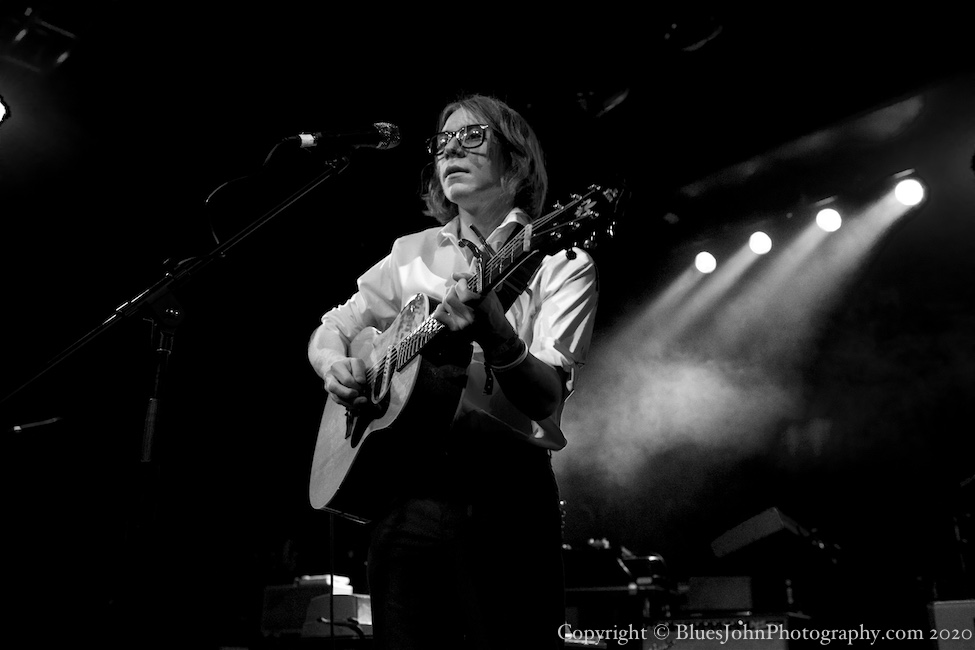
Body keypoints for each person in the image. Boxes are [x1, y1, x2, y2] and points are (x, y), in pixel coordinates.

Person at [307, 93, 599, 649]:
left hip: (504, 496)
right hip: (405, 498)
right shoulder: (410, 254)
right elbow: (333, 326)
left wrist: (496, 331)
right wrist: (333, 365)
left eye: (471, 137)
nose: (450, 151)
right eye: (442, 143)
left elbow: (544, 401)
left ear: (515, 162)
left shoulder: (561, 260)